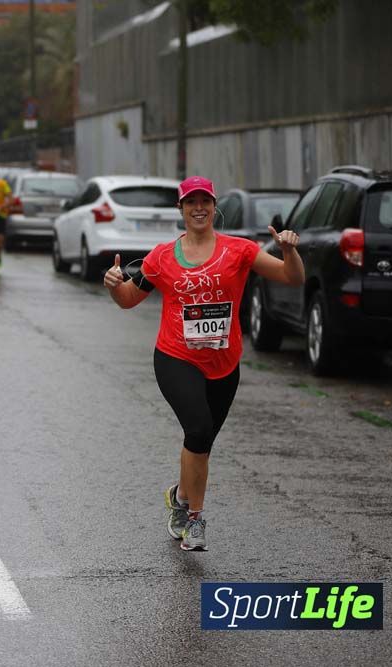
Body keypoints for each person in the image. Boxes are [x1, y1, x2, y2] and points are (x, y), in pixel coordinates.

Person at [103, 176, 304, 551]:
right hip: (175, 357)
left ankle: (180, 495)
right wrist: (115, 284)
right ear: (180, 209)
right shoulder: (161, 257)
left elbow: (292, 277)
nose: (199, 208)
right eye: (190, 202)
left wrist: (289, 250)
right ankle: (194, 519)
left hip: (224, 363)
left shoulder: (239, 251)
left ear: (214, 207)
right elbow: (129, 299)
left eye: (205, 201)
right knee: (197, 428)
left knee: (202, 442)